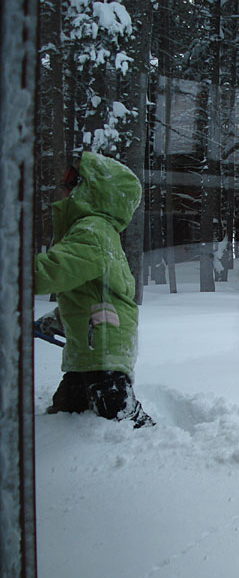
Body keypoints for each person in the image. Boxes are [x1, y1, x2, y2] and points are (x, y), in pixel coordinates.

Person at [34, 151, 154, 428]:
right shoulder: (94, 231)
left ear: (93, 190)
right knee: (67, 412)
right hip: (89, 350)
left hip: (102, 350)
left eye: (73, 179)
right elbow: (90, 294)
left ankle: (155, 443)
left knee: (119, 418)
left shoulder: (92, 231)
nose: (64, 186)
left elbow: (53, 272)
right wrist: (56, 319)